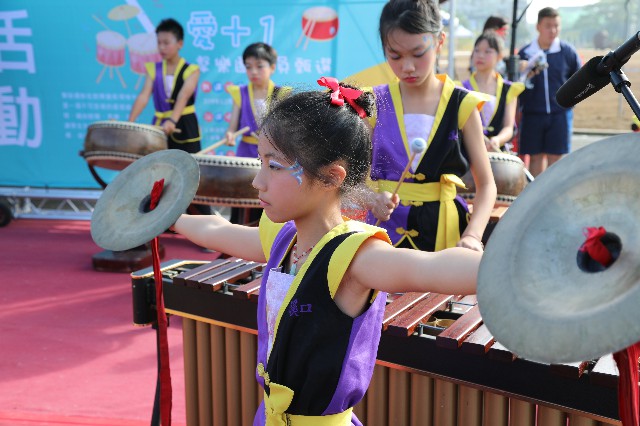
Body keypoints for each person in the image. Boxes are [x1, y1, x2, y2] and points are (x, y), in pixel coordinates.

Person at [172, 79, 481, 425]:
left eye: (273, 166)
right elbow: (219, 230)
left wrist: (513, 267)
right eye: (261, 163)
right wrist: (165, 214)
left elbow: (431, 267)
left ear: (332, 178)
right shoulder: (284, 238)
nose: (257, 181)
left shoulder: (354, 256)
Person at [366, 0, 497, 253]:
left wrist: (472, 235)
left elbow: (487, 184)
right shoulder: (373, 102)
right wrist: (371, 198)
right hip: (381, 235)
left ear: (440, 41)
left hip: (444, 234)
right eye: (395, 55)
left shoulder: (462, 104)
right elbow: (349, 179)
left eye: (418, 54)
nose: (407, 67)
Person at [517, 7, 581, 177]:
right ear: (538, 26)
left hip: (560, 115)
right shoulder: (525, 53)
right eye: (548, 25)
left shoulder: (567, 52)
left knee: (556, 159)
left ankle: (556, 199)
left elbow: (580, 79)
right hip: (532, 115)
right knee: (536, 159)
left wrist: (570, 103)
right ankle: (537, 200)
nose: (553, 30)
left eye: (556, 26)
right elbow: (514, 84)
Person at [128, 18, 202, 153]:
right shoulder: (153, 69)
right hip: (160, 127)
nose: (161, 47)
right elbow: (144, 96)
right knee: (160, 169)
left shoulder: (192, 70)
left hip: (185, 126)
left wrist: (172, 121)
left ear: (180, 43)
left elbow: (183, 96)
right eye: (159, 43)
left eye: (166, 43)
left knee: (190, 167)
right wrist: (130, 122)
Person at [462, 31, 525, 153]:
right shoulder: (462, 88)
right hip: (469, 152)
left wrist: (497, 140)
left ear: (500, 56)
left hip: (498, 152)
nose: (480, 55)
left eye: (487, 51)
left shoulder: (509, 89)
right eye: (477, 50)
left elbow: (508, 127)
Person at [224, 42, 288, 158]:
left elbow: (285, 129)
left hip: (271, 152)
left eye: (259, 66)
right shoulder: (240, 93)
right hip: (245, 152)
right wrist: (230, 135)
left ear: (272, 67)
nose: (253, 71)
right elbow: (232, 128)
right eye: (248, 67)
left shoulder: (280, 94)